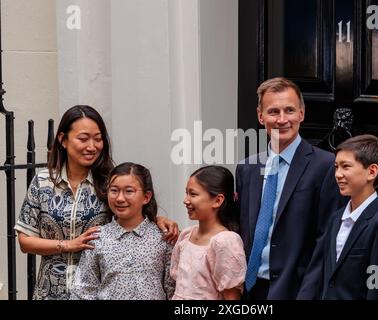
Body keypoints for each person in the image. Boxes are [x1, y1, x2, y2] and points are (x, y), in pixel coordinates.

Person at [15, 105, 178, 300]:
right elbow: (25, 241)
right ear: (63, 140)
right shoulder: (42, 182)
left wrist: (158, 220)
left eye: (98, 139)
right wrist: (68, 245)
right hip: (51, 290)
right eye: (83, 139)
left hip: (101, 290)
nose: (92, 146)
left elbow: (131, 213)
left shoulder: (110, 182)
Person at [235, 77, 343, 300]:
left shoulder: (325, 166)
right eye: (273, 111)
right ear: (260, 115)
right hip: (247, 290)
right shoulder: (246, 168)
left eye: (290, 110)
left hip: (296, 290)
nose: (282, 119)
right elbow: (233, 226)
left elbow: (326, 239)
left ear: (302, 113)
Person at [70, 162, 175, 300]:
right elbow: (83, 291)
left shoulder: (163, 237)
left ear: (146, 197)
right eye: (114, 190)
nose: (120, 198)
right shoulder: (97, 237)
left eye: (129, 191)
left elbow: (173, 288)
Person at [320, 134, 378, 300]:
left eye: (346, 166)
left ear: (371, 172)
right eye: (336, 166)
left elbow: (377, 288)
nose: (338, 174)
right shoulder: (335, 219)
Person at [170, 165, 247, 300]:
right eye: (186, 193)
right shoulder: (186, 235)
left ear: (217, 200)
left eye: (193, 194)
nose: (186, 200)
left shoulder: (225, 241)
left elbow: (231, 297)